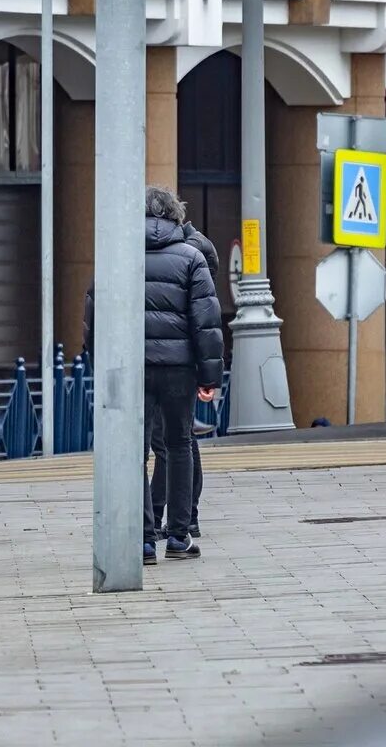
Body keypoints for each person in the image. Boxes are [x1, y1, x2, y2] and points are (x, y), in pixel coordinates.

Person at [141, 187, 223, 565]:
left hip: (134, 368)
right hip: (179, 369)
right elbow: (206, 323)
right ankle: (178, 535)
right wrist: (210, 377)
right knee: (179, 444)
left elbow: (95, 310)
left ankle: (142, 540)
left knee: (134, 453)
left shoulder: (120, 252)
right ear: (175, 216)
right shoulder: (192, 256)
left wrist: (98, 363)